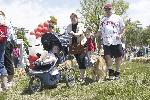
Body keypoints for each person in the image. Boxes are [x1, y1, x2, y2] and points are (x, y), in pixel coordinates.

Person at [96, 3, 125, 80]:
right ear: (104, 10)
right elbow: (100, 31)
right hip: (106, 41)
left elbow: (123, 28)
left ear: (112, 9)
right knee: (108, 57)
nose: (107, 11)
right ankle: (111, 72)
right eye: (106, 9)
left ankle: (117, 72)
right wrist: (95, 35)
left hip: (116, 41)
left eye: (109, 9)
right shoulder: (102, 19)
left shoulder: (118, 17)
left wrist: (120, 35)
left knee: (118, 58)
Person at [66, 13, 87, 82]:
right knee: (78, 60)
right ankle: (83, 74)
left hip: (82, 44)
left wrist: (74, 34)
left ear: (76, 18)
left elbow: (80, 32)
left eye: (73, 18)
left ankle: (82, 77)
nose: (72, 19)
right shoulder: (69, 26)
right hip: (74, 46)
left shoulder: (81, 25)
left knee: (81, 59)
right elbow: (68, 34)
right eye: (71, 18)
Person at [0, 11, 8, 91]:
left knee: (1, 64)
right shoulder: (5, 21)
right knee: (1, 63)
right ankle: (5, 86)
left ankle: (4, 86)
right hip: (3, 42)